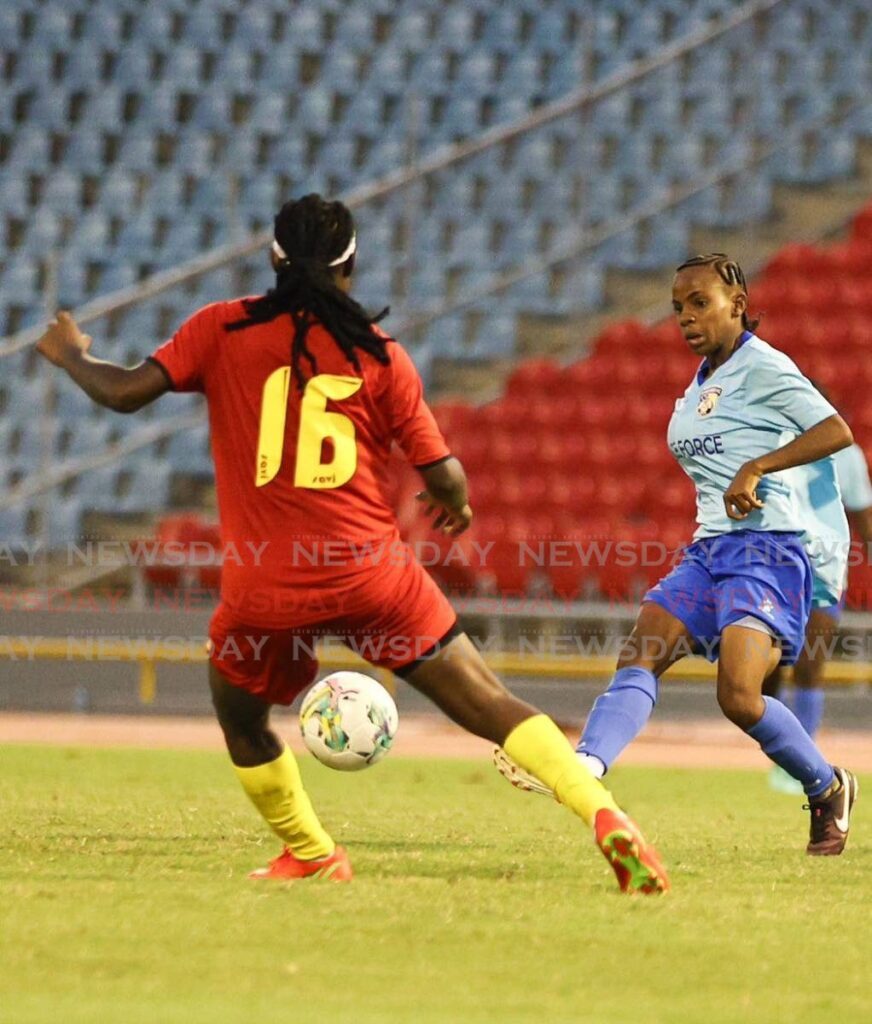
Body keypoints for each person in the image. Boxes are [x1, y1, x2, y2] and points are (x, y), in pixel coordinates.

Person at [35, 193, 668, 893]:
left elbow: (125, 393)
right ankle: (603, 813)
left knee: (241, 717)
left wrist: (71, 356)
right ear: (352, 264)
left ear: (274, 259)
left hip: (264, 587)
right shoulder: (379, 353)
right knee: (489, 701)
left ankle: (310, 851)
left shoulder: (220, 328)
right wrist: (453, 502)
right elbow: (444, 472)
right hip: (371, 574)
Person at [496, 253, 859, 857]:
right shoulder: (699, 385)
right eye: (677, 308)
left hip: (769, 552)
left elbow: (837, 431)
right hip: (709, 551)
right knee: (641, 651)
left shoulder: (764, 366)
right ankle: (586, 765)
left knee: (738, 696)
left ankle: (827, 786)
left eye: (700, 303)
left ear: (737, 306)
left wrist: (757, 466)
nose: (686, 318)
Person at [764, 438, 872, 794]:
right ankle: (777, 748)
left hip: (825, 570)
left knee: (810, 665)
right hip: (774, 568)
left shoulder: (846, 455)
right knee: (770, 664)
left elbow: (862, 514)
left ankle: (801, 758)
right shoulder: (770, 443)